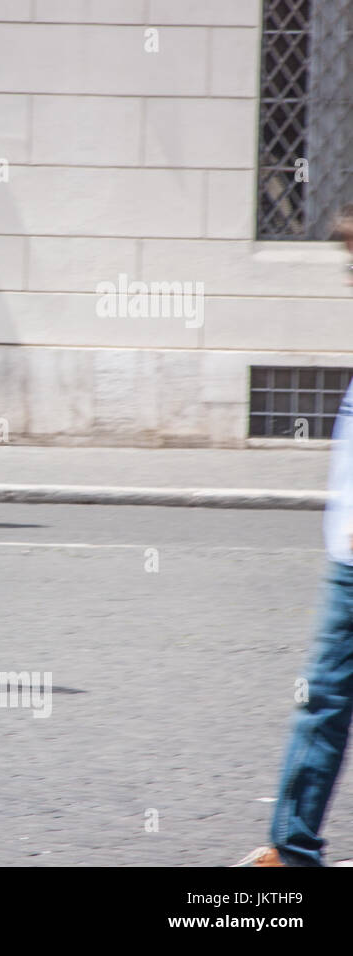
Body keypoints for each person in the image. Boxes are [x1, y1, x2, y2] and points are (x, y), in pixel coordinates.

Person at [236, 217, 353, 867]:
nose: (349, 275)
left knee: (326, 700)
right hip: (347, 555)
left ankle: (294, 844)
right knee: (325, 699)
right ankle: (293, 846)